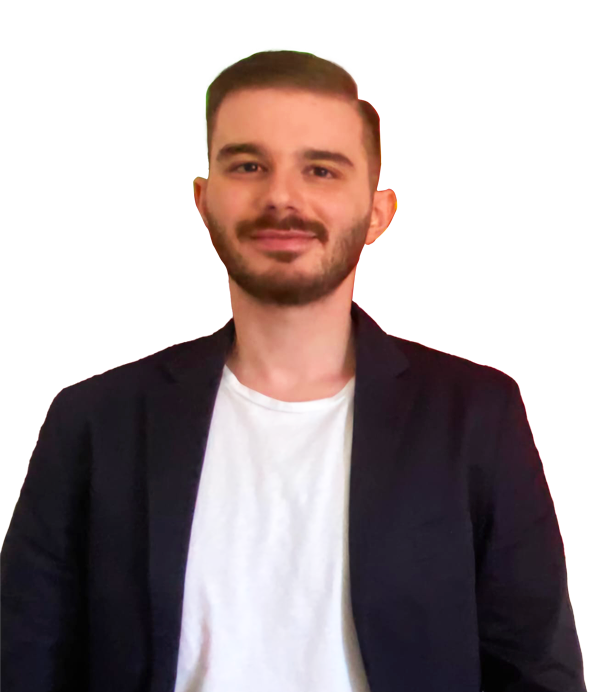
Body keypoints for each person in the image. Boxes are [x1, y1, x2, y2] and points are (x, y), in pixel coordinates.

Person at [0, 49, 585, 692]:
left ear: (378, 213)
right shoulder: (94, 422)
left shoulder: (475, 415)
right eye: (248, 166)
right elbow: (24, 663)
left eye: (321, 170)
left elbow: (537, 672)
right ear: (203, 200)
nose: (282, 196)